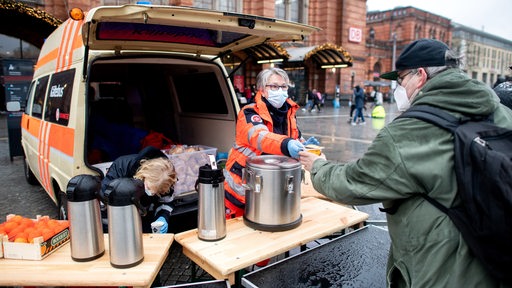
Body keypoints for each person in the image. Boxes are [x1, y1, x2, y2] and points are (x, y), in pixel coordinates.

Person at [299, 38, 512, 287]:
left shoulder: (409, 130)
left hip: (442, 269)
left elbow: (354, 182)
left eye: (400, 80)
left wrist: (318, 166)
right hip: (496, 259)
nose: (399, 87)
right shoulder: (501, 112)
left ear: (420, 75)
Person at [224, 67, 319, 219]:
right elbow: (260, 137)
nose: (280, 90)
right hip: (242, 188)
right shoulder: (249, 112)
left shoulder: (289, 112)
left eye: (283, 86)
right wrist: (287, 144)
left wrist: (304, 144)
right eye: (274, 86)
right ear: (261, 88)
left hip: (272, 185)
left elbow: (293, 136)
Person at [100, 146, 177, 234]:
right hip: (115, 218)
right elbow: (104, 199)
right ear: (143, 175)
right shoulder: (121, 167)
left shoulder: (166, 178)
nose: (151, 193)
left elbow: (166, 202)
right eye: (148, 188)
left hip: (142, 217)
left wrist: (163, 217)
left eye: (155, 192)